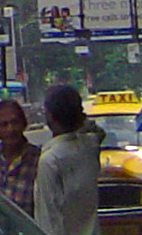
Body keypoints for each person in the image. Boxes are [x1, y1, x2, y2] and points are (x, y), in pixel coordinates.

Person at [35, 85, 101, 235]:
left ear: (49, 116)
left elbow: (49, 220)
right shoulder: (90, 146)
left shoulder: (50, 160)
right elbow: (97, 131)